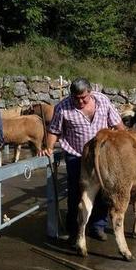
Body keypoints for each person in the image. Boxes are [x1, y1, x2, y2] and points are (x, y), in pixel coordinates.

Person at [41, 78, 124, 243]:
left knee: (102, 192)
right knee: (76, 193)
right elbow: (54, 131)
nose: (80, 101)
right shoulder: (63, 108)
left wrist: (126, 141)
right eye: (76, 98)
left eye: (83, 98)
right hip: (76, 157)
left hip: (103, 157)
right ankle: (74, 230)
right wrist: (49, 147)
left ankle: (97, 226)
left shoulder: (103, 101)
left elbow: (117, 124)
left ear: (90, 92)